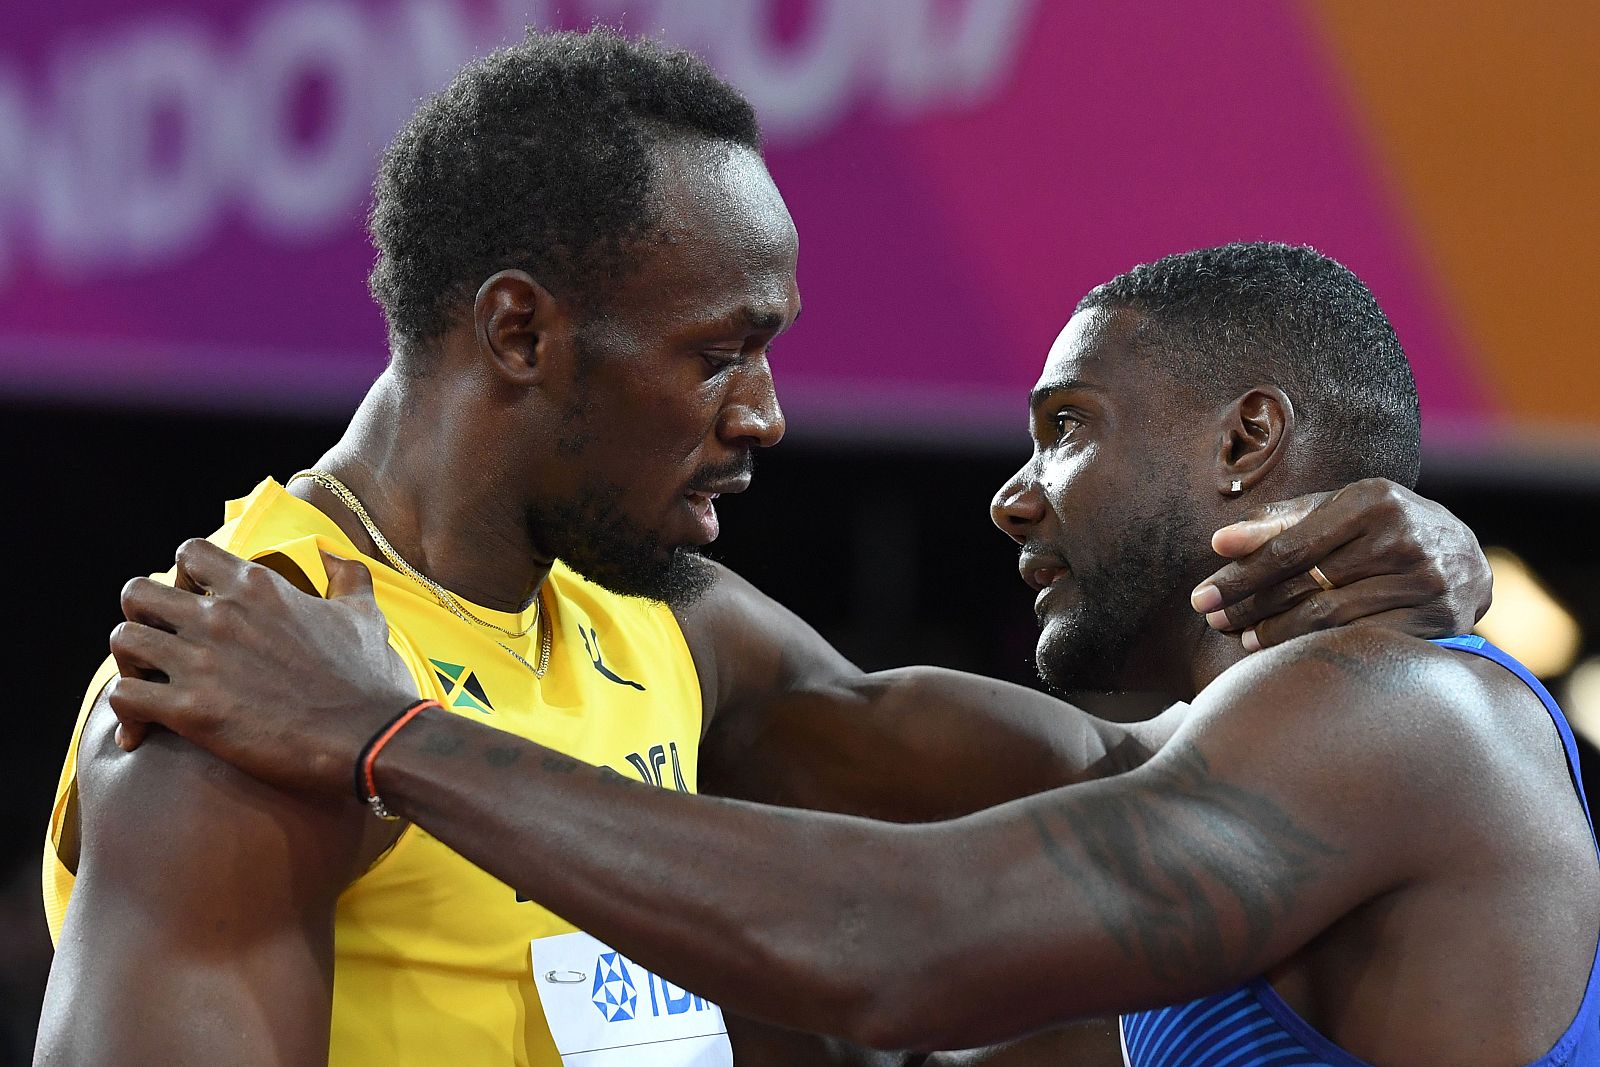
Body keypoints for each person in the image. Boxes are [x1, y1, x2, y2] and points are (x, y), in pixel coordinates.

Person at [35, 26, 1492, 1067]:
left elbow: (1156, 781)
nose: (769, 414)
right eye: (720, 350)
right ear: (521, 331)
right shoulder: (243, 689)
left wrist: (1396, 590)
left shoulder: (670, 631)